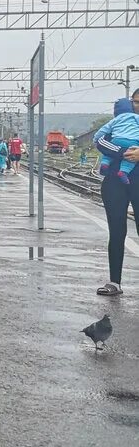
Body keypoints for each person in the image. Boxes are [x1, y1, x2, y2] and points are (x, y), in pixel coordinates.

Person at [93, 90, 139, 296]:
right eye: (136, 102)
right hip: (115, 182)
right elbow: (101, 142)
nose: (138, 106)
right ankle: (115, 282)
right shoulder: (121, 123)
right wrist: (124, 153)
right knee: (117, 230)